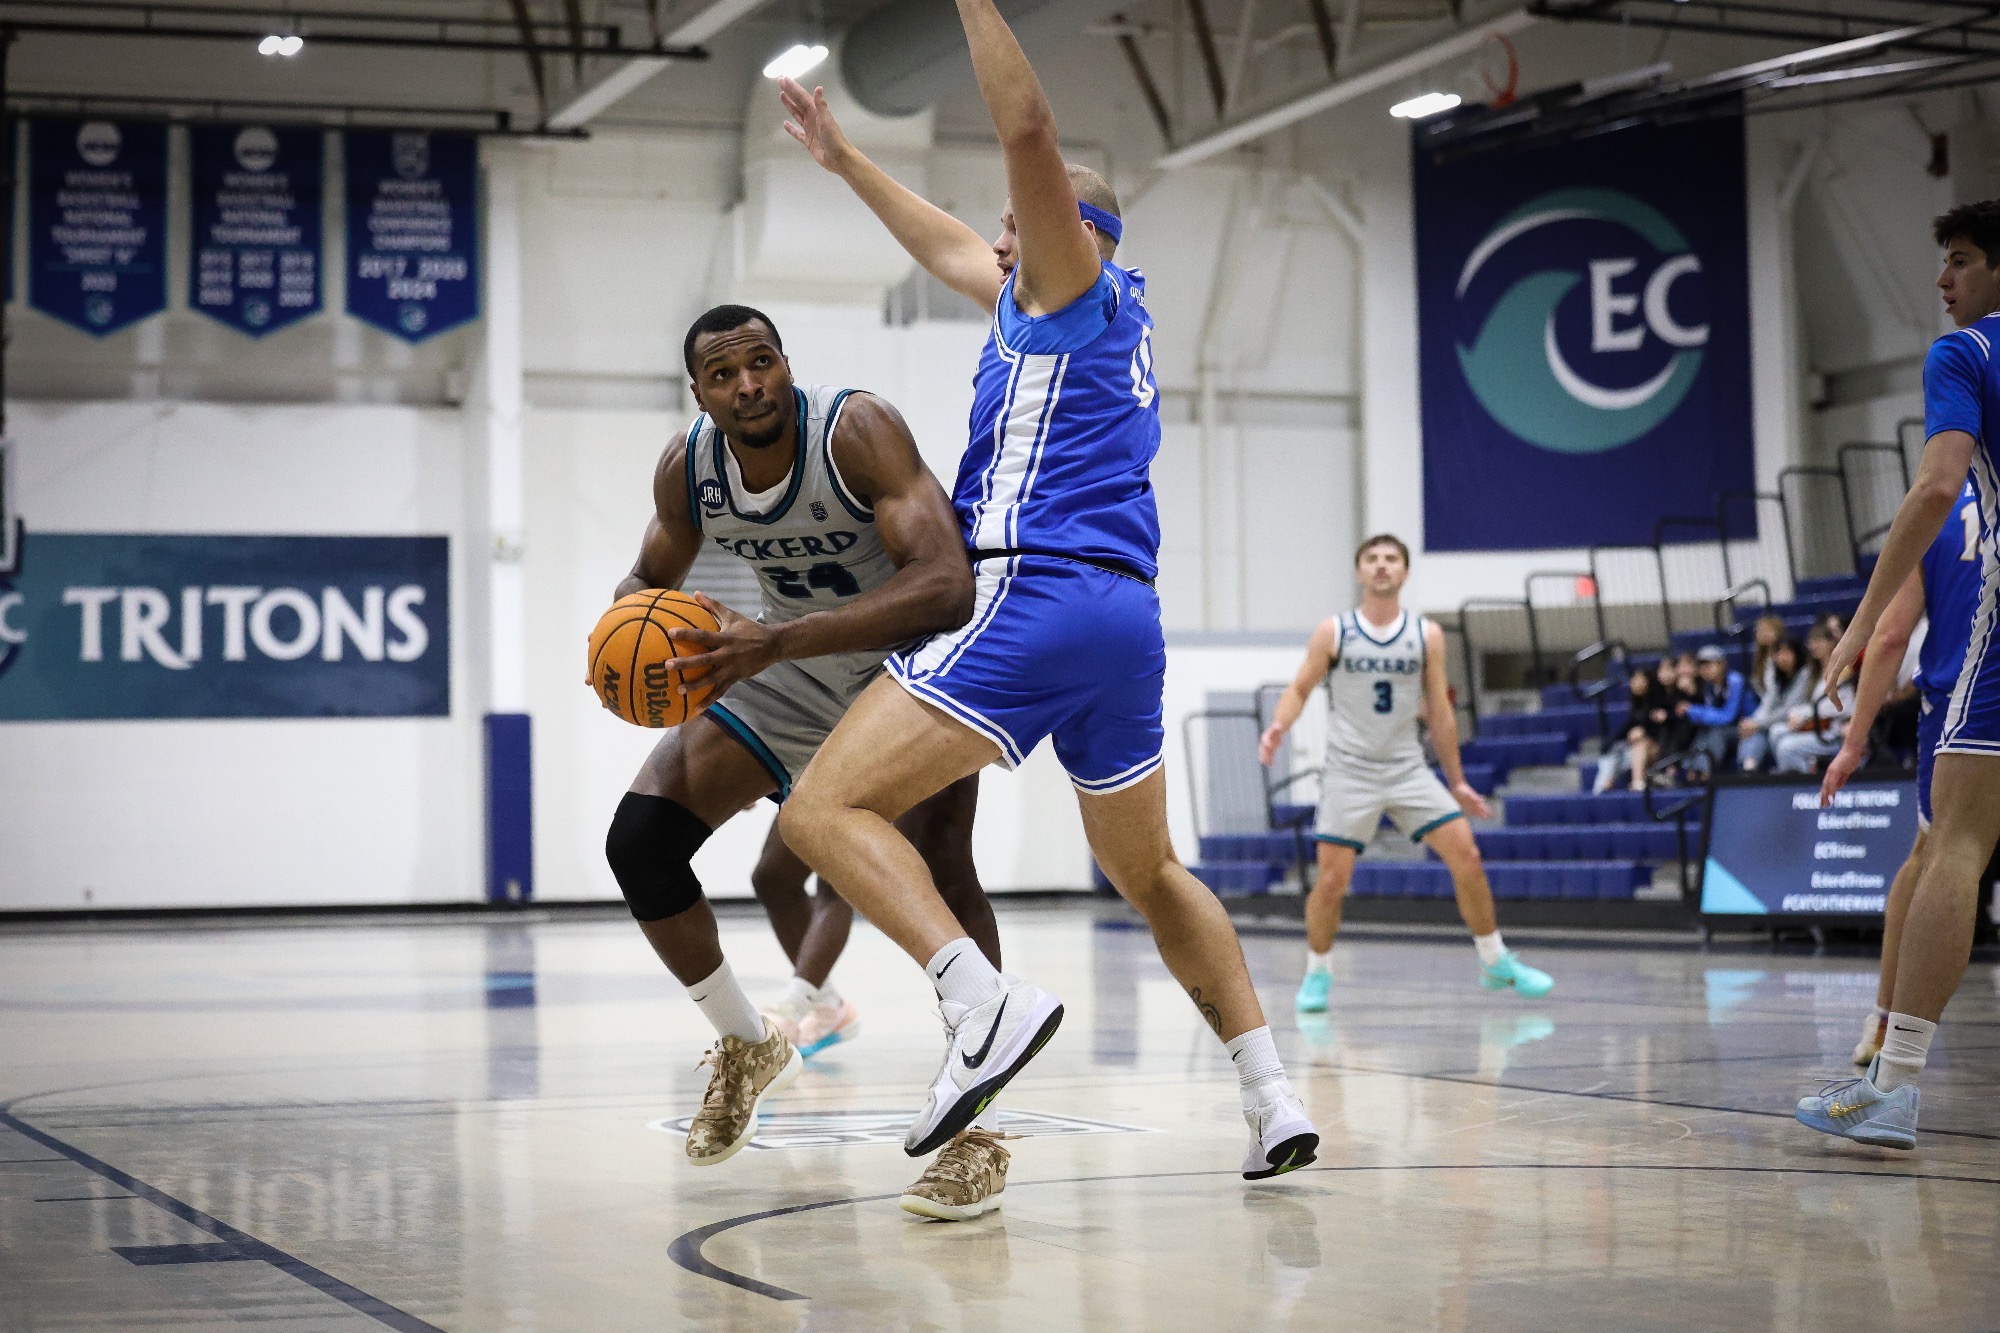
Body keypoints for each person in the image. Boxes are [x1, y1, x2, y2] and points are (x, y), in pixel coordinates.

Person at [774, 0, 1318, 1218]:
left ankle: (978, 999)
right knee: (1150, 869)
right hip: (1125, 622)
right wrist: (846, 158)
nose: (995, 242)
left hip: (1040, 590)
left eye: (1016, 225)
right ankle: (1270, 1092)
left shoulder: (1067, 285)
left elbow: (1025, 122)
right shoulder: (1059, 307)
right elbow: (948, 247)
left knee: (823, 806)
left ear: (1067, 232)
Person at [599, 304, 999, 1169]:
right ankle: (748, 1042)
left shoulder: (855, 430)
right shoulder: (690, 469)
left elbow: (947, 585)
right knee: (640, 841)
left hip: (907, 663)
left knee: (947, 872)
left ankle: (977, 1132)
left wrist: (777, 640)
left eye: (762, 363)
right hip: (794, 660)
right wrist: (625, 643)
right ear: (699, 392)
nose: (749, 385)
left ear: (786, 364)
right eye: (724, 374)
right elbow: (645, 577)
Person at [1795, 200, 2000, 1150]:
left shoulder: (1965, 355)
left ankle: (1894, 1082)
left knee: (1952, 845)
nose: (1941, 280)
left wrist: (1864, 619)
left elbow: (1934, 487)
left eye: (1959, 260)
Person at [1261, 534, 1555, 1012]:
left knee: (1469, 858)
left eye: (1391, 559)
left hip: (1407, 768)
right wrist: (1279, 725)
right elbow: (1300, 687)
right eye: (1372, 559)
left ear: (1404, 572)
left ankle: (1495, 959)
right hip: (1349, 771)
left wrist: (1456, 780)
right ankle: (1317, 972)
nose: (1381, 566)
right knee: (1332, 882)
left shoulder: (1426, 635)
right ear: (1359, 572)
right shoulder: (1334, 631)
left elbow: (1438, 711)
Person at [1818, 477, 1984, 1070]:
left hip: (1959, 707)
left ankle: (1888, 1026)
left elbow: (1890, 637)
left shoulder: (1937, 505)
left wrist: (1853, 743)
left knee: (1937, 856)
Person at [753, 774, 992, 1057]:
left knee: (842, 876)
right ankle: (826, 1004)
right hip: (825, 742)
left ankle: (794, 1007)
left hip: (891, 742)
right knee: (772, 877)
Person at [1771, 625, 1853, 774]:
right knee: (1776, 732)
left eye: (1818, 641)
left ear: (1831, 643)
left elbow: (1838, 707)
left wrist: (1803, 714)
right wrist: (1797, 713)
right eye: (1811, 641)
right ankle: (1798, 772)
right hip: (1816, 725)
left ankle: (1805, 782)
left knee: (1786, 747)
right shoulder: (1814, 672)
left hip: (1834, 731)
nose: (1813, 646)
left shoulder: (1843, 669)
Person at [1595, 663, 1675, 792]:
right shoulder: (1637, 705)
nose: (1633, 682)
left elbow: (1664, 729)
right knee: (1612, 755)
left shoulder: (1660, 701)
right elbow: (1627, 728)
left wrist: (1644, 733)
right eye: (1633, 679)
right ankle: (1602, 789)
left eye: (1638, 679)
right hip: (1638, 749)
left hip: (1659, 749)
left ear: (1648, 681)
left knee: (1639, 746)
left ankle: (1637, 782)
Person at [1679, 645, 1753, 775]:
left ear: (1722, 664)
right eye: (1702, 666)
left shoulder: (1735, 680)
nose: (1704, 669)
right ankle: (1690, 771)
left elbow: (1728, 716)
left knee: (1717, 733)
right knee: (1703, 731)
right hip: (1729, 728)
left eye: (1709, 664)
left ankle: (1707, 773)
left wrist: (1695, 711)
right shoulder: (1709, 686)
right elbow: (1711, 714)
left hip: (1748, 728)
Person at [1738, 638, 1809, 772]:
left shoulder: (1805, 675)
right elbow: (1768, 703)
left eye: (1787, 652)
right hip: (1779, 722)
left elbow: (1787, 711)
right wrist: (1752, 722)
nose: (1782, 658)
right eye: (1778, 653)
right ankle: (1748, 769)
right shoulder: (1779, 678)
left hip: (1803, 721)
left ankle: (1782, 772)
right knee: (1754, 732)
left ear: (1797, 653)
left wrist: (1757, 724)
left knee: (1770, 730)